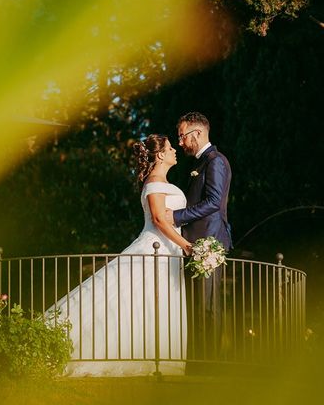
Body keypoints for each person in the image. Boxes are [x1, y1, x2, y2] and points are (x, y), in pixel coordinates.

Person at [49, 134, 191, 377]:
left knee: (147, 304)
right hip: (154, 249)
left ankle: (155, 357)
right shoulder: (155, 182)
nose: (174, 151)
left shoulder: (160, 181)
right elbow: (158, 219)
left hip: (168, 252)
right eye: (169, 148)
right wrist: (187, 245)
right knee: (127, 300)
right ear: (159, 155)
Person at [166, 111, 232, 360]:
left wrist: (176, 217)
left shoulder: (215, 161)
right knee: (197, 307)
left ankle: (210, 365)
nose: (180, 142)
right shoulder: (200, 163)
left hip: (209, 244)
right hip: (196, 244)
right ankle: (198, 360)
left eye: (182, 136)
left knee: (208, 307)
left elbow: (214, 202)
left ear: (198, 133)